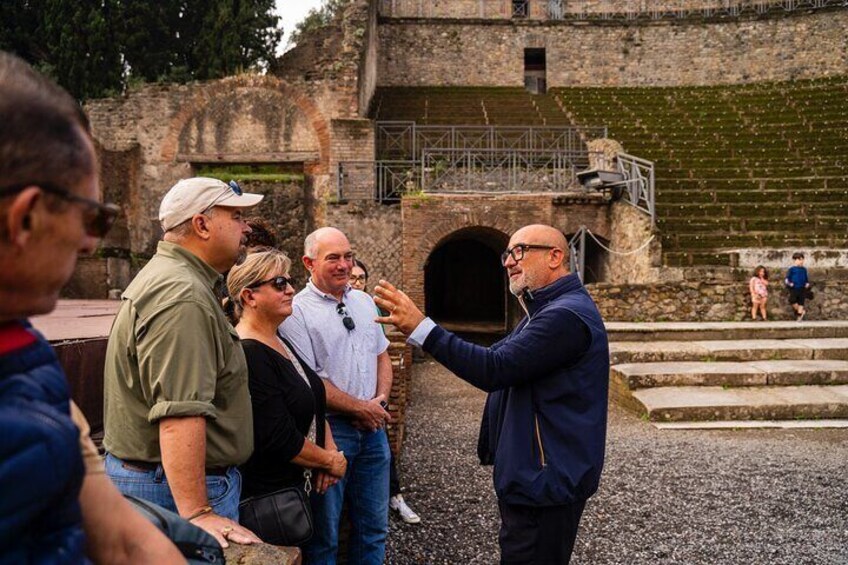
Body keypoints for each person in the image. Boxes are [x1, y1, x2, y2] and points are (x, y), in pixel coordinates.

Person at [0, 50, 183, 562]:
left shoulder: (24, 347)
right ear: (26, 218)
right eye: (95, 219)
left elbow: (121, 539)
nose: (90, 245)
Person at [374, 224, 609, 565]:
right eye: (507, 253)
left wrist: (422, 328)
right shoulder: (545, 310)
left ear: (555, 256)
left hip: (545, 479)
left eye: (520, 251)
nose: (509, 262)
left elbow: (493, 369)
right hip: (539, 475)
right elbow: (495, 356)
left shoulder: (564, 317)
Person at [102, 176, 265, 548]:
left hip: (159, 482)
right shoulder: (183, 296)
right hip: (171, 491)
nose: (247, 226)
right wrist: (196, 513)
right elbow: (179, 413)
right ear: (202, 224)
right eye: (237, 216)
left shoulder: (177, 281)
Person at [279, 227, 393, 564]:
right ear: (308, 263)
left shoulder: (364, 301)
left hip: (374, 432)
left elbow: (381, 355)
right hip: (331, 432)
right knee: (324, 537)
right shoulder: (296, 312)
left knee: (374, 529)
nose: (344, 265)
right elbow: (309, 381)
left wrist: (380, 402)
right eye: (333, 258)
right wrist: (362, 408)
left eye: (348, 256)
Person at [227, 249, 347, 516]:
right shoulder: (250, 352)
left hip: (296, 487)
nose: (291, 290)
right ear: (249, 296)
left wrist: (329, 448)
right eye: (280, 284)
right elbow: (278, 437)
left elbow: (313, 395)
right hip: (270, 497)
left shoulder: (278, 339)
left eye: (290, 281)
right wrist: (331, 461)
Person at [350, 259, 421, 525]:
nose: (356, 282)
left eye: (361, 278)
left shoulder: (370, 307)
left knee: (383, 453)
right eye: (352, 277)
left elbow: (382, 352)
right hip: (344, 404)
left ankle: (395, 497)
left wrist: (380, 399)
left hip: (372, 397)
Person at [784, 252, 810, 321]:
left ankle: (799, 316)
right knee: (792, 300)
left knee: (801, 302)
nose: (802, 261)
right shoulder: (792, 269)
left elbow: (806, 278)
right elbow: (787, 279)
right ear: (795, 260)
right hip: (794, 287)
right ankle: (801, 311)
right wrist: (790, 284)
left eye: (802, 259)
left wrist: (807, 283)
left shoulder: (804, 269)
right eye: (800, 260)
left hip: (802, 287)